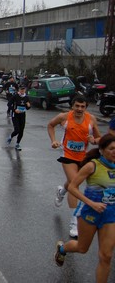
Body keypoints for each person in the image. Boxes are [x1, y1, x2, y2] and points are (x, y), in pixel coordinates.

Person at [54, 134, 115, 283]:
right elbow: (73, 187)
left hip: (110, 215)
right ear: (101, 150)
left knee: (106, 256)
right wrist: (92, 203)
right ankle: (62, 249)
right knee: (82, 248)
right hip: (90, 212)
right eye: (111, 148)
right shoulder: (92, 165)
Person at [48, 95, 102, 238]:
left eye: (82, 106)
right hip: (67, 154)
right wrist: (53, 141)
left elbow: (100, 139)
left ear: (86, 107)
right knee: (75, 184)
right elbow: (50, 125)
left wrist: (94, 140)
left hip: (83, 156)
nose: (79, 109)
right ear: (72, 106)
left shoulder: (91, 120)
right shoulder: (64, 117)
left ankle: (61, 191)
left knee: (73, 181)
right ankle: (74, 222)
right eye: (77, 106)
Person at [6, 85, 31, 151]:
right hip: (15, 115)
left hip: (22, 115)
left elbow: (27, 107)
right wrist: (14, 110)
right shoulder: (15, 96)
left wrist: (29, 106)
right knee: (17, 130)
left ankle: (17, 144)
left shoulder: (26, 97)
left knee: (21, 130)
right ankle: (10, 137)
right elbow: (9, 104)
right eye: (21, 90)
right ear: (19, 90)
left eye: (23, 90)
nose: (22, 91)